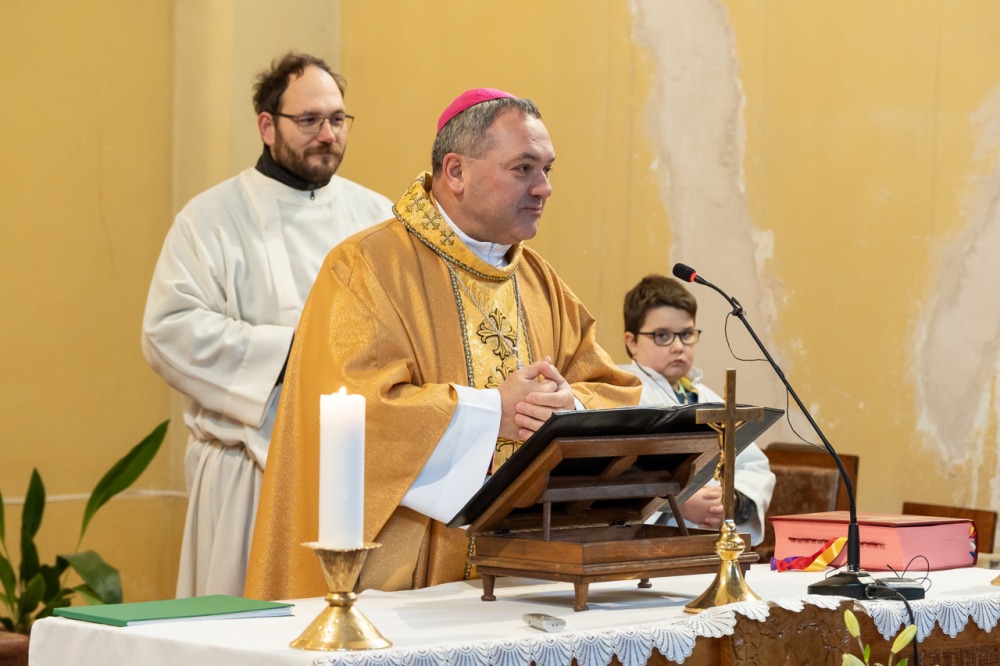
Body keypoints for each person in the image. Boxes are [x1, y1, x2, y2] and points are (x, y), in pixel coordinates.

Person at [245, 88, 642, 600]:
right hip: (403, 583)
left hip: (529, 574)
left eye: (547, 169)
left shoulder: (540, 283)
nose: (544, 188)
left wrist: (569, 410)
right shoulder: (367, 267)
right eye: (523, 168)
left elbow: (611, 390)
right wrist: (493, 412)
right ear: (455, 172)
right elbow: (353, 411)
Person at [141, 52, 392, 598]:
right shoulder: (211, 218)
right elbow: (169, 330)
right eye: (309, 120)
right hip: (248, 471)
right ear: (266, 126)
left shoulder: (380, 219)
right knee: (244, 622)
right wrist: (297, 352)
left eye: (337, 119)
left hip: (353, 476)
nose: (327, 134)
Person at [621, 274, 775, 545]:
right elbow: (617, 475)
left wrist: (731, 500)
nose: (678, 347)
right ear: (631, 342)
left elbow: (754, 466)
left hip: (710, 542)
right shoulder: (620, 394)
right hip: (647, 545)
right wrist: (679, 503)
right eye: (662, 336)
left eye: (686, 334)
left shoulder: (705, 398)